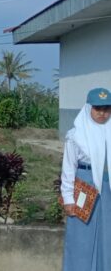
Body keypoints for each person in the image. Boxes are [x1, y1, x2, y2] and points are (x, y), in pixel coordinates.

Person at [61, 87, 111, 271]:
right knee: (80, 237)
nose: (102, 113)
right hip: (84, 185)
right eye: (98, 108)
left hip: (108, 187)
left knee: (107, 237)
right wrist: (68, 199)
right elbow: (68, 168)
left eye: (106, 109)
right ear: (88, 107)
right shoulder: (76, 135)